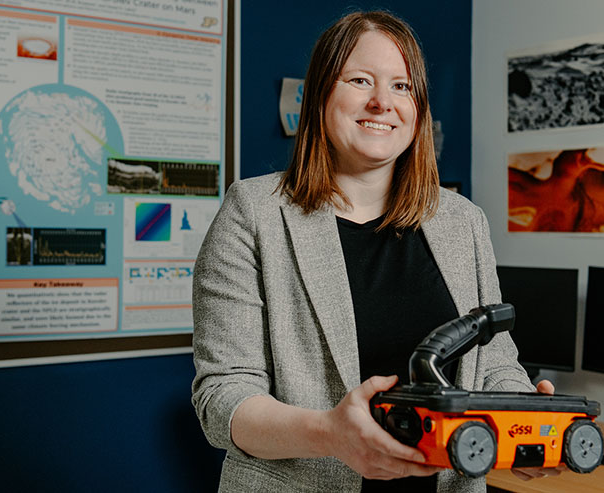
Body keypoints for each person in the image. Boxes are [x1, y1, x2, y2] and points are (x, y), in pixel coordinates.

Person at [192, 10, 559, 492]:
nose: (382, 102)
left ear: (418, 108)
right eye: (360, 80)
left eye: (402, 87)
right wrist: (330, 434)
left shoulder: (463, 221)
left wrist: (524, 422)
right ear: (322, 94)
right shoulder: (254, 213)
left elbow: (493, 366)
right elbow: (223, 399)